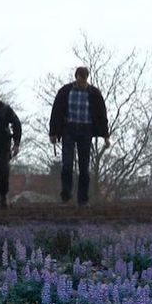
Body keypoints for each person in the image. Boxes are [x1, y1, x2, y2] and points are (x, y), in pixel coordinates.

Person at [49, 66, 110, 205]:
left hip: (86, 130)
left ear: (87, 78)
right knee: (67, 163)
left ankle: (83, 199)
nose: (82, 82)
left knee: (84, 166)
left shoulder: (94, 94)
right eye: (80, 78)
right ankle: (66, 195)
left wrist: (106, 135)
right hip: (68, 129)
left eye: (84, 79)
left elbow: (102, 115)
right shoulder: (65, 91)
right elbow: (56, 112)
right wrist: (53, 132)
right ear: (76, 77)